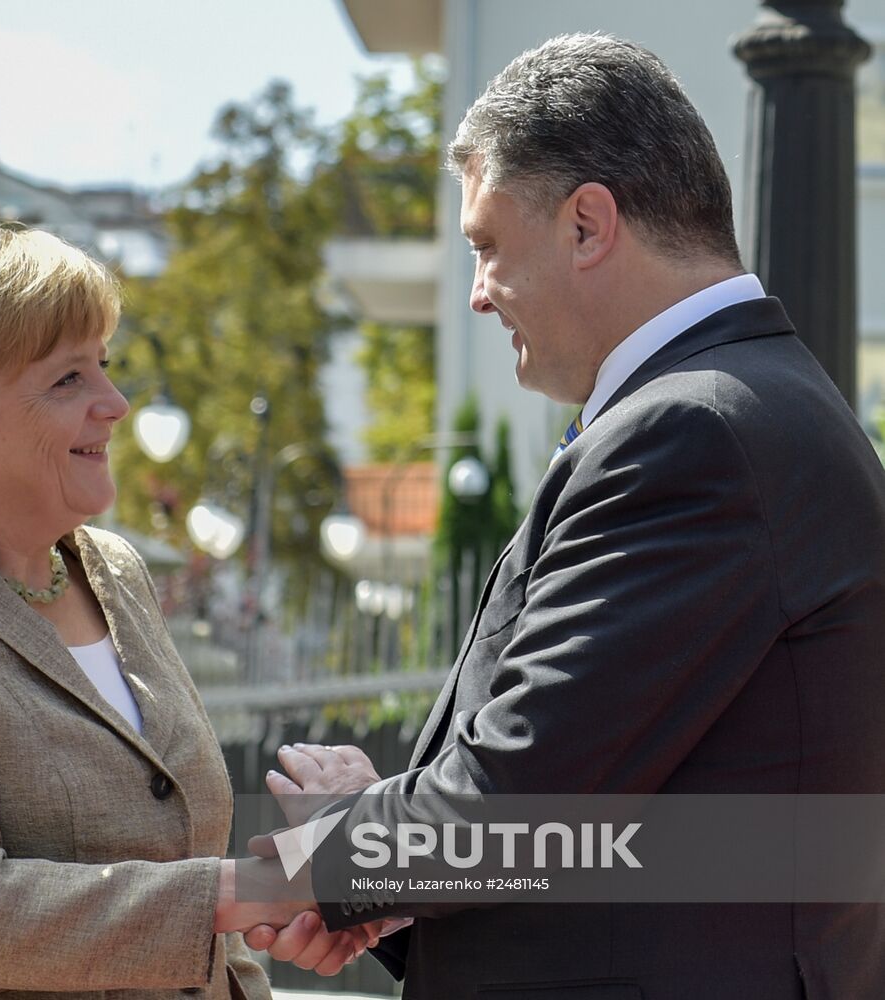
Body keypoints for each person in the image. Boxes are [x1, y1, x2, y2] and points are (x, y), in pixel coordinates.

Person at [241, 32, 885, 998]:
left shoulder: (693, 431)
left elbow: (513, 803)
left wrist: (343, 839)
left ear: (588, 224)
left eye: (489, 246)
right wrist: (381, 893)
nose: (477, 293)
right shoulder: (731, 409)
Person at [0, 224, 340, 999]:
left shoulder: (115, 572)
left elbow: (186, 872)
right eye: (68, 380)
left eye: (103, 369)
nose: (113, 404)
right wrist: (250, 891)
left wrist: (287, 908)